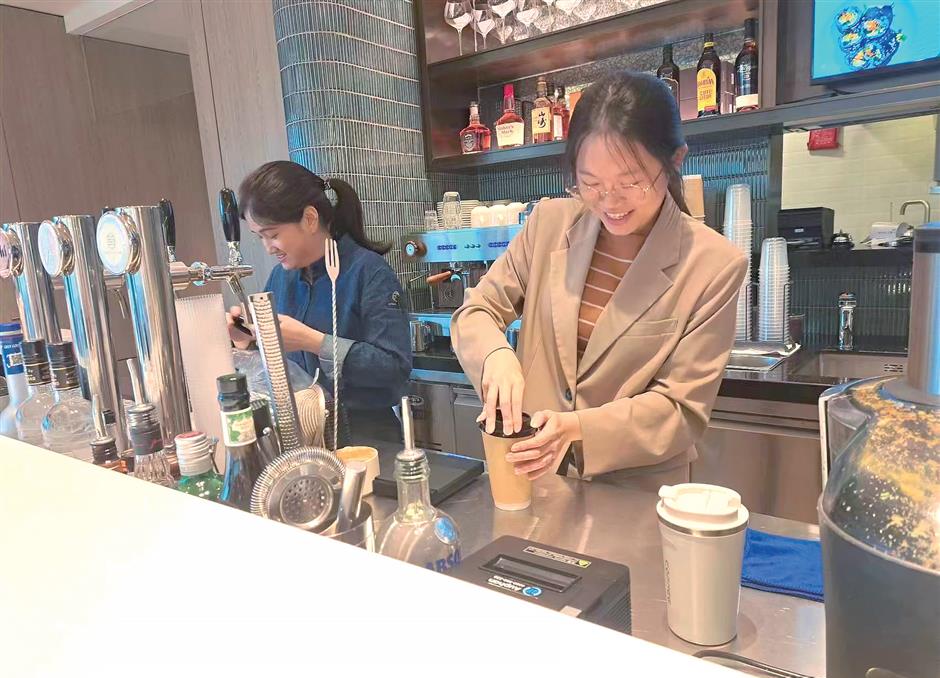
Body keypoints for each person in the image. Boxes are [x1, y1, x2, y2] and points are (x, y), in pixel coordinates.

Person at [451, 71, 748, 489]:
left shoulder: (714, 265)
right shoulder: (549, 225)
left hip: (634, 494)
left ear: (675, 161)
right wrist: (495, 356)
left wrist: (577, 428)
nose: (610, 202)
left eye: (631, 183)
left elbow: (680, 410)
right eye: (590, 184)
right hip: (538, 480)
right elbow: (477, 310)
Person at [228, 161, 411, 444]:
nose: (268, 248)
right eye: (260, 237)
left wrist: (313, 341)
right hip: (302, 435)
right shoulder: (280, 277)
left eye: (273, 235)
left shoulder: (369, 272)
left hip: (368, 438)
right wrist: (247, 341)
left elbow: (394, 369)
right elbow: (276, 370)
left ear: (310, 219)